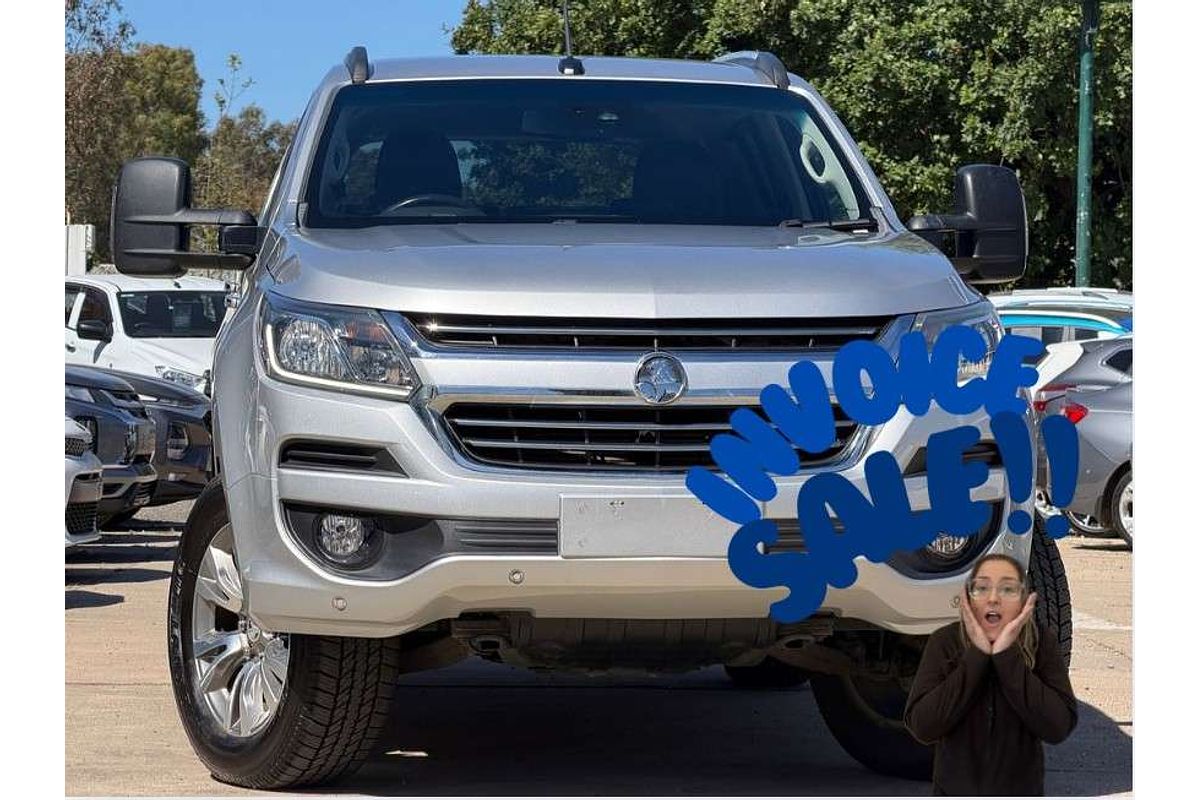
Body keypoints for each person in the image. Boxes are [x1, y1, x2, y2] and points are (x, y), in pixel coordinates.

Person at [904, 553, 1077, 796]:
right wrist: (977, 656)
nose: (994, 599)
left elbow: (1058, 727)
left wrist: (1007, 657)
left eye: (1007, 589)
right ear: (968, 599)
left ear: (1023, 601)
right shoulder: (945, 642)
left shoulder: (1041, 643)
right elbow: (923, 726)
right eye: (982, 588)